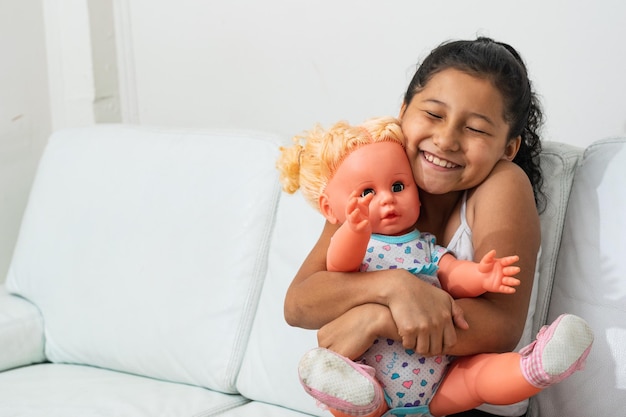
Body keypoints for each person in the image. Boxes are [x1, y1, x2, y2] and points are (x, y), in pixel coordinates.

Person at [281, 37, 587, 417]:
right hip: (372, 396)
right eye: (434, 114)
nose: (445, 140)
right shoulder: (376, 176)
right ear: (404, 111)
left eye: (475, 128)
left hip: (468, 402)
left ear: (507, 148)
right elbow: (299, 304)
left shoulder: (501, 185)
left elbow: (501, 325)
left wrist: (376, 319)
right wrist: (394, 285)